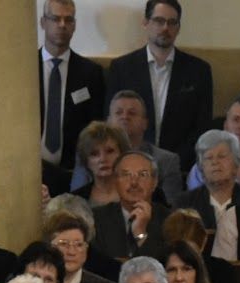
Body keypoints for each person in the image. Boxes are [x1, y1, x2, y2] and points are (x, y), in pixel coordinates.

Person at [106, 0, 214, 157]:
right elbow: (111, 121)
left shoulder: (199, 71)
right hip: (129, 160)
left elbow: (202, 126)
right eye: (159, 21)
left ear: (178, 27)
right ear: (145, 23)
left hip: (181, 162)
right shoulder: (121, 68)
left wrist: (175, 161)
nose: (165, 28)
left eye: (172, 22)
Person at [39, 1, 107, 171]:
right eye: (56, 19)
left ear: (74, 25)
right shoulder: (24, 69)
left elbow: (96, 124)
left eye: (68, 20)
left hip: (74, 170)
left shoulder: (91, 73)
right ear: (43, 22)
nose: (62, 25)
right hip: (28, 167)